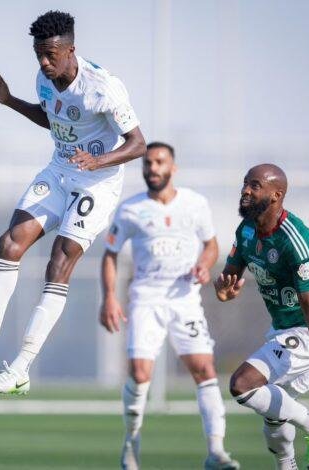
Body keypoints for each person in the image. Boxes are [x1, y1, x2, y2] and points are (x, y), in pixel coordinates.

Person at [0, 10, 146, 395]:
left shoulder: (104, 87)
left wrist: (100, 160)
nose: (43, 62)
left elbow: (138, 144)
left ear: (71, 50)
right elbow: (52, 118)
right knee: (9, 244)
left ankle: (20, 369)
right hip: (58, 171)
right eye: (38, 54)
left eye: (50, 55)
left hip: (97, 183)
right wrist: (8, 100)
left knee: (58, 262)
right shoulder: (44, 78)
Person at [100, 142, 240, 470]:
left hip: (184, 299)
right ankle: (131, 444)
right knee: (140, 374)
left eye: (159, 162)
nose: (153, 168)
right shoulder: (130, 209)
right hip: (146, 299)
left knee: (204, 369)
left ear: (172, 168)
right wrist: (109, 297)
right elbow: (110, 254)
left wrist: (205, 264)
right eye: (148, 163)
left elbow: (211, 245)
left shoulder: (195, 204)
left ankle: (216, 452)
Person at [214, 164, 309, 470]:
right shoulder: (246, 230)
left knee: (242, 384)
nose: (245, 190)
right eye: (245, 183)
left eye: (255, 185)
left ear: (276, 195)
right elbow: (229, 278)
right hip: (285, 328)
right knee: (274, 417)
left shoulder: (297, 241)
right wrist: (224, 291)